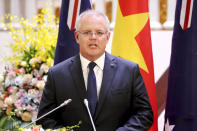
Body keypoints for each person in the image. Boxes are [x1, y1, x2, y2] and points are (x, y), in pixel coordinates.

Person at [37, 10, 153, 131]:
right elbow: (45, 119)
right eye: (87, 33)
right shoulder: (57, 74)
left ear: (107, 37)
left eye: (99, 33)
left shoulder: (129, 71)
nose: (93, 38)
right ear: (77, 37)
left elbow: (144, 114)